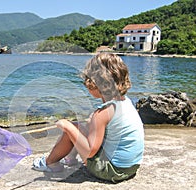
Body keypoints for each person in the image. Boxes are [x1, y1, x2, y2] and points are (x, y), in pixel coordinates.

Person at [33, 52, 144, 183]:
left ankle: (50, 163)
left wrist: (67, 126)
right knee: (80, 127)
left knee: (73, 128)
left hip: (111, 170)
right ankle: (70, 158)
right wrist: (90, 124)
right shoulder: (125, 102)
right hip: (131, 167)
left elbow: (90, 152)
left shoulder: (102, 114)